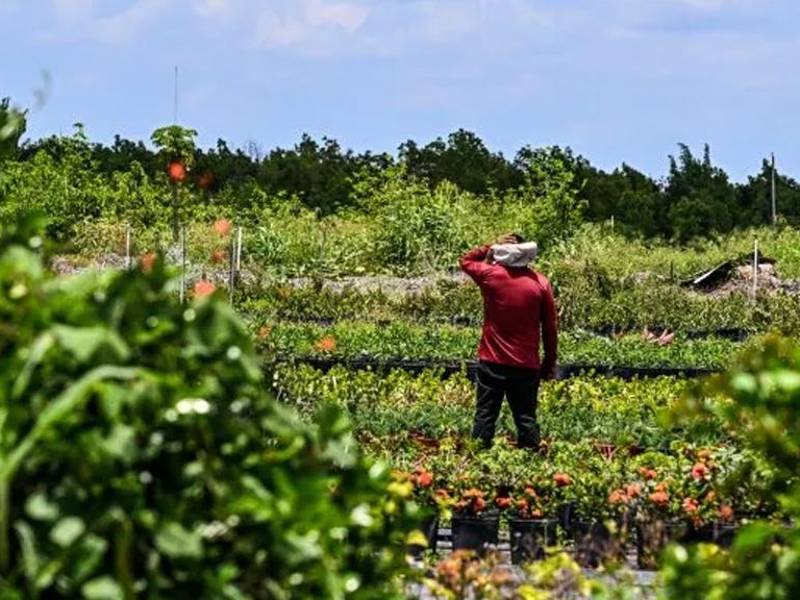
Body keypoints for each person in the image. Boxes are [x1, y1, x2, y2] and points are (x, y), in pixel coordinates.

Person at [459, 233, 558, 449]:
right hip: (526, 366)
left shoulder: (491, 275)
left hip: (491, 362)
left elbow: (466, 261)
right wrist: (549, 364)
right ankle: (532, 466)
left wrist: (491, 244)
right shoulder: (540, 283)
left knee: (485, 415)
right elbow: (550, 328)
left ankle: (477, 462)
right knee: (525, 419)